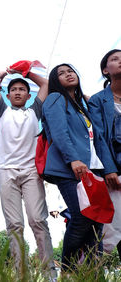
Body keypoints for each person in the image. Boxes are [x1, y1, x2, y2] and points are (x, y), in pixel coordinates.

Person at [42, 63, 118, 271]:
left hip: (93, 170)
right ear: (55, 81)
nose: (68, 74)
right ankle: (68, 270)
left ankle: (95, 275)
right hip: (69, 169)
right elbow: (59, 132)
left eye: (70, 71)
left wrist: (107, 168)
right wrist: (72, 159)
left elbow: (98, 139)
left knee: (97, 224)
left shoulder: (82, 106)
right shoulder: (55, 99)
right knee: (82, 217)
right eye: (61, 73)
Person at [0, 69, 56, 275]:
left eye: (22, 89)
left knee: (38, 220)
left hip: (31, 171)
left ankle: (49, 272)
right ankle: (21, 274)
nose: (18, 92)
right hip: (6, 172)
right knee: (15, 224)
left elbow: (46, 84)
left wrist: (26, 72)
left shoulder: (35, 110)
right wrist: (6, 72)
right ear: (7, 96)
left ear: (28, 95)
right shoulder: (2, 111)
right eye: (14, 90)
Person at [88, 49, 121, 261]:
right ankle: (87, 271)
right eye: (115, 59)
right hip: (116, 170)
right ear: (105, 70)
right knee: (114, 230)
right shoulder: (98, 100)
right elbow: (98, 136)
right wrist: (109, 168)